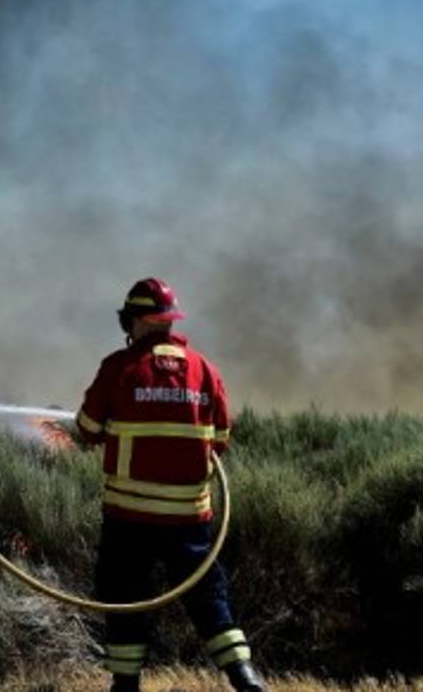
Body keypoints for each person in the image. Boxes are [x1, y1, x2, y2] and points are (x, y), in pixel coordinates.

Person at [75, 278, 266, 692]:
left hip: (130, 516)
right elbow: (220, 440)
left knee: (124, 597)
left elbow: (88, 430)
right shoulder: (204, 370)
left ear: (137, 320)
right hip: (189, 518)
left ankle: (125, 685)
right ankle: (244, 676)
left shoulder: (119, 368)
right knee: (208, 598)